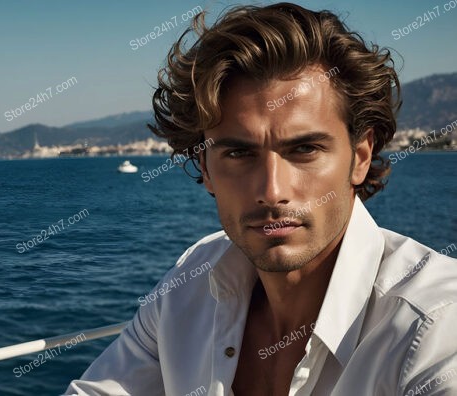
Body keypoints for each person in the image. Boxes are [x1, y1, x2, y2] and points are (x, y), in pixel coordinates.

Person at [65, 2, 457, 395]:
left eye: (304, 150)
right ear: (205, 168)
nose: (272, 191)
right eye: (238, 153)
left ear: (360, 157)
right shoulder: (190, 287)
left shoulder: (436, 328)